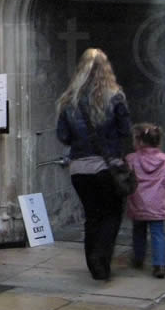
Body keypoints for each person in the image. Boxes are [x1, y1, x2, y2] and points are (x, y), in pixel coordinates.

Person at [56, 48, 132, 281]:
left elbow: (64, 136)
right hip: (106, 167)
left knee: (92, 216)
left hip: (79, 168)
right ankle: (101, 257)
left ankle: (94, 265)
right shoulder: (116, 96)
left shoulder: (69, 99)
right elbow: (125, 131)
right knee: (112, 214)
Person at [125, 123, 165, 279]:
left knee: (138, 231)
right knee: (158, 233)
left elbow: (125, 177)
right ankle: (159, 265)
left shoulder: (131, 159)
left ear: (139, 141)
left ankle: (138, 258)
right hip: (158, 203)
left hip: (137, 202)